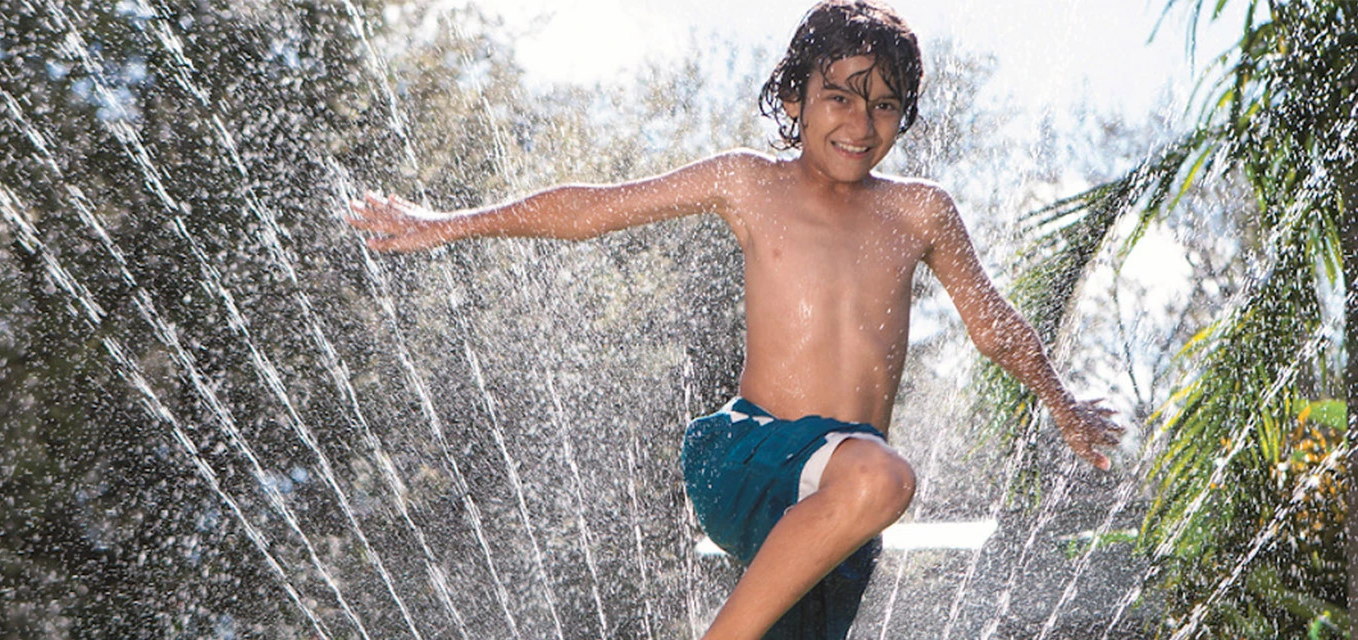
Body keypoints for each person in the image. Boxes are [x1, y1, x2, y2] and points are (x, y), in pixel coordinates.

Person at [346, 1, 1124, 637]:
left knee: (867, 483)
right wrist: (444, 223)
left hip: (835, 508)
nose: (862, 121)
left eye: (885, 104)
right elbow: (592, 210)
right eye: (840, 96)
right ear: (794, 100)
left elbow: (991, 325)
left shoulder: (919, 211)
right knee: (884, 472)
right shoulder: (748, 184)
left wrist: (1063, 406)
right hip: (751, 456)